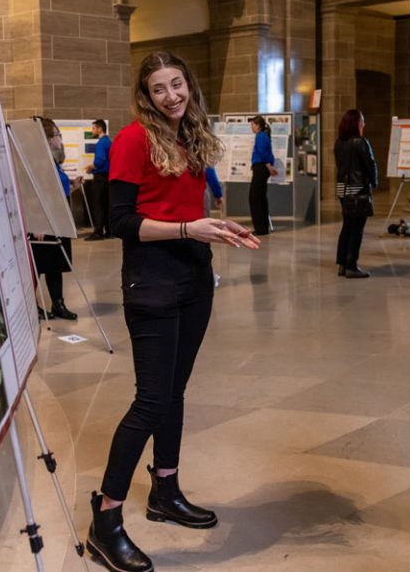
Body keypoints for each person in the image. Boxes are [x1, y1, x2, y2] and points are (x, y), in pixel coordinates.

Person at [88, 51, 260, 572]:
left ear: (190, 84)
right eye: (159, 89)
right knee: (150, 401)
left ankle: (165, 489)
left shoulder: (192, 135)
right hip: (152, 281)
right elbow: (121, 221)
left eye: (178, 84)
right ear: (146, 94)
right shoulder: (131, 140)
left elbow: (186, 209)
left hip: (193, 277)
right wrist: (189, 229)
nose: (172, 96)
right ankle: (106, 520)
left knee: (175, 393)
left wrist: (219, 228)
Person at [31, 118, 81, 321]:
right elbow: (34, 195)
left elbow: (56, 191)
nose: (60, 140)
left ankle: (58, 304)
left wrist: (72, 186)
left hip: (57, 220)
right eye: (58, 136)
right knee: (38, 267)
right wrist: (38, 223)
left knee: (55, 264)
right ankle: (31, 306)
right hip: (44, 222)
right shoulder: (39, 163)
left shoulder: (52, 161)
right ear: (49, 139)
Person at [334, 109, 377, 278]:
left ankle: (342, 264)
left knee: (347, 226)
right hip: (358, 190)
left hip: (343, 190)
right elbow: (370, 164)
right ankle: (351, 265)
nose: (364, 124)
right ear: (357, 123)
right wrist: (374, 182)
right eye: (362, 121)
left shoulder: (339, 142)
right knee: (356, 229)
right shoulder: (360, 142)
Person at [248, 115, 277, 235]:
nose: (252, 127)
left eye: (253, 125)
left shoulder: (260, 136)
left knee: (254, 198)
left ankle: (260, 228)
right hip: (261, 167)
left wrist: (269, 167)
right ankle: (263, 227)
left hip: (261, 168)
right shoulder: (263, 136)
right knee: (260, 198)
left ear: (258, 125)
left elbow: (263, 153)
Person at [86, 118, 112, 240]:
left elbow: (100, 160)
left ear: (100, 129)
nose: (92, 130)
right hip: (108, 177)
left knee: (98, 204)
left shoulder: (101, 143)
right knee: (106, 204)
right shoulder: (108, 142)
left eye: (94, 128)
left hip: (100, 178)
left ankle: (98, 232)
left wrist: (90, 168)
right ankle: (109, 231)